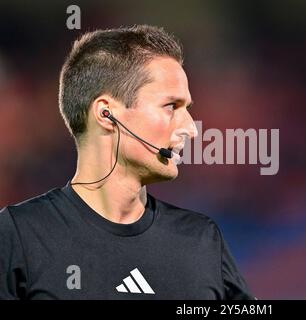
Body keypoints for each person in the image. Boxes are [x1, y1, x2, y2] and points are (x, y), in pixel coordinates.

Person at [0, 25, 254, 300]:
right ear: (107, 115)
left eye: (187, 109)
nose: (191, 128)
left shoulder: (203, 240)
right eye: (171, 106)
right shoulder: (19, 237)